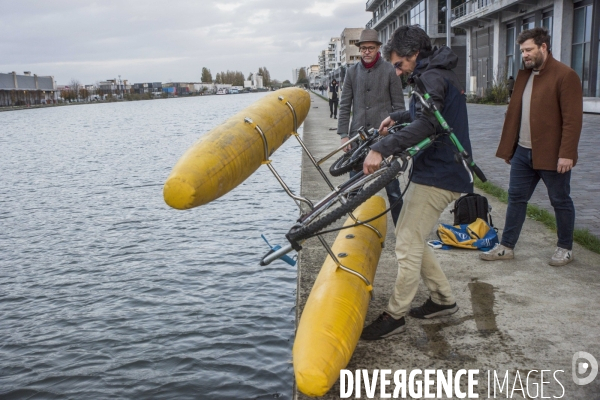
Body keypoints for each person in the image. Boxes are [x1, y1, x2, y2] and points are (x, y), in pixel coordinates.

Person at [359, 26, 473, 340]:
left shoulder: (432, 76)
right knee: (413, 238)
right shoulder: (434, 71)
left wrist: (380, 148)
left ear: (415, 54)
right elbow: (428, 112)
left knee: (407, 242)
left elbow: (428, 122)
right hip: (438, 169)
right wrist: (397, 115)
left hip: (441, 174)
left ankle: (395, 315)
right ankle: (442, 300)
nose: (397, 71)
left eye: (399, 64)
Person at [480, 27, 582, 266]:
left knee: (560, 200)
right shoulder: (525, 76)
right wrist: (510, 148)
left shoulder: (565, 76)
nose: (524, 55)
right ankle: (507, 247)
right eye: (522, 51)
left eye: (528, 50)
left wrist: (566, 154)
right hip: (522, 153)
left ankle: (565, 248)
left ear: (543, 47)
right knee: (515, 198)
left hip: (552, 154)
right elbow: (515, 115)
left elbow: (573, 120)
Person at [337, 28, 405, 225]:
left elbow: (399, 107)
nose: (367, 51)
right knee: (354, 189)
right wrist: (343, 135)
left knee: (393, 189)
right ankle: (353, 228)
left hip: (384, 138)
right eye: (364, 48)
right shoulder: (351, 72)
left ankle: (401, 229)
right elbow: (344, 106)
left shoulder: (390, 71)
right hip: (357, 140)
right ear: (359, 49)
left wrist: (394, 130)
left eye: (371, 48)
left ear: (377, 49)